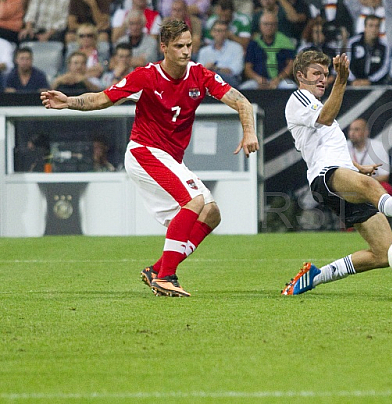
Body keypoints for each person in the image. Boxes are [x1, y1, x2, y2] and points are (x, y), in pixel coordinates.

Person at [41, 18, 260, 297]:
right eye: (179, 46)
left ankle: (157, 269)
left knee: (211, 213)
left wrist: (249, 132)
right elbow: (101, 99)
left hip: (171, 158)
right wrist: (69, 102)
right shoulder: (146, 76)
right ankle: (167, 276)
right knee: (192, 201)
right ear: (164, 47)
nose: (186, 51)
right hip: (144, 151)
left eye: (189, 45)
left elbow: (241, 101)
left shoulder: (200, 75)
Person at [280, 50, 392, 296]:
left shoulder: (315, 104)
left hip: (335, 174)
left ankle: (315, 277)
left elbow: (325, 144)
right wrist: (341, 80)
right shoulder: (299, 99)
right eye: (316, 73)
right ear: (300, 76)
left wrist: (356, 168)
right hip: (325, 176)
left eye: (325, 74)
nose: (323, 79)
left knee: (383, 253)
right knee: (372, 188)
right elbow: (327, 118)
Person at [347, 117, 392, 195]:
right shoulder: (344, 147)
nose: (352, 133)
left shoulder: (378, 147)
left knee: (386, 189)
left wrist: (365, 181)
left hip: (373, 183)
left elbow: (385, 176)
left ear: (366, 132)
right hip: (351, 185)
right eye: (351, 130)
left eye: (356, 129)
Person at [196, 18, 244, 87]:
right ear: (211, 32)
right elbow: (198, 72)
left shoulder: (236, 48)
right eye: (217, 31)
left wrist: (216, 69)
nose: (220, 34)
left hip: (230, 82)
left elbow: (236, 71)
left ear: (227, 33)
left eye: (223, 31)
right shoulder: (204, 51)